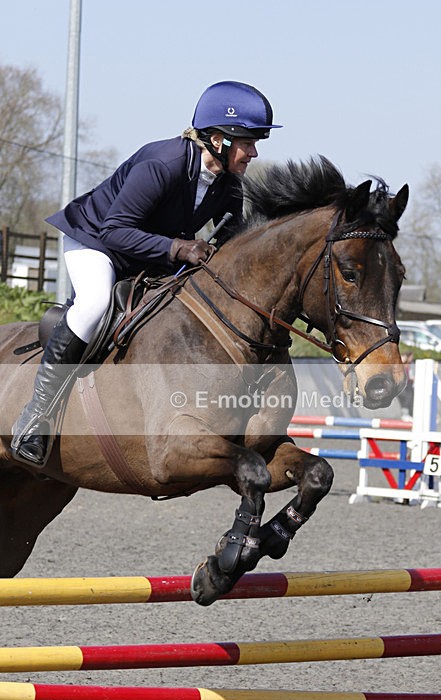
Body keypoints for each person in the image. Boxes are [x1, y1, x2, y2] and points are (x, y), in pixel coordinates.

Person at [11, 80, 282, 468]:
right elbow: (115, 231)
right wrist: (178, 247)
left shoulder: (229, 184)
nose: (254, 152)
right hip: (97, 241)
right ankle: (35, 417)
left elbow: (230, 236)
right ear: (219, 139)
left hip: (150, 252)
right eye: (249, 142)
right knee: (94, 304)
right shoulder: (164, 164)